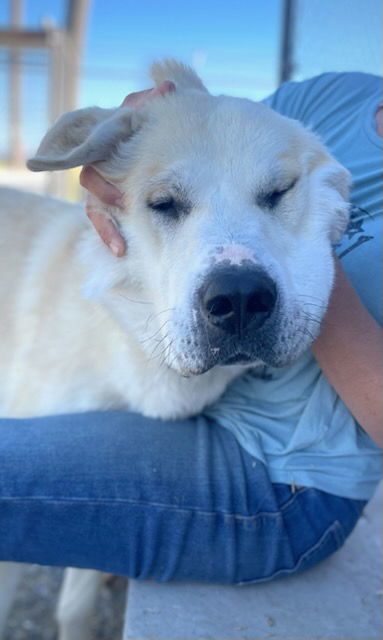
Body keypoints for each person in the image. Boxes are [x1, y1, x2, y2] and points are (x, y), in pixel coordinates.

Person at [0, 71, 382, 584]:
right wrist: (138, 141)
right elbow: (216, 138)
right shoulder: (341, 94)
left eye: (275, 194)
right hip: (197, 404)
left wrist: (309, 260)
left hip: (284, 481)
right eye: (168, 203)